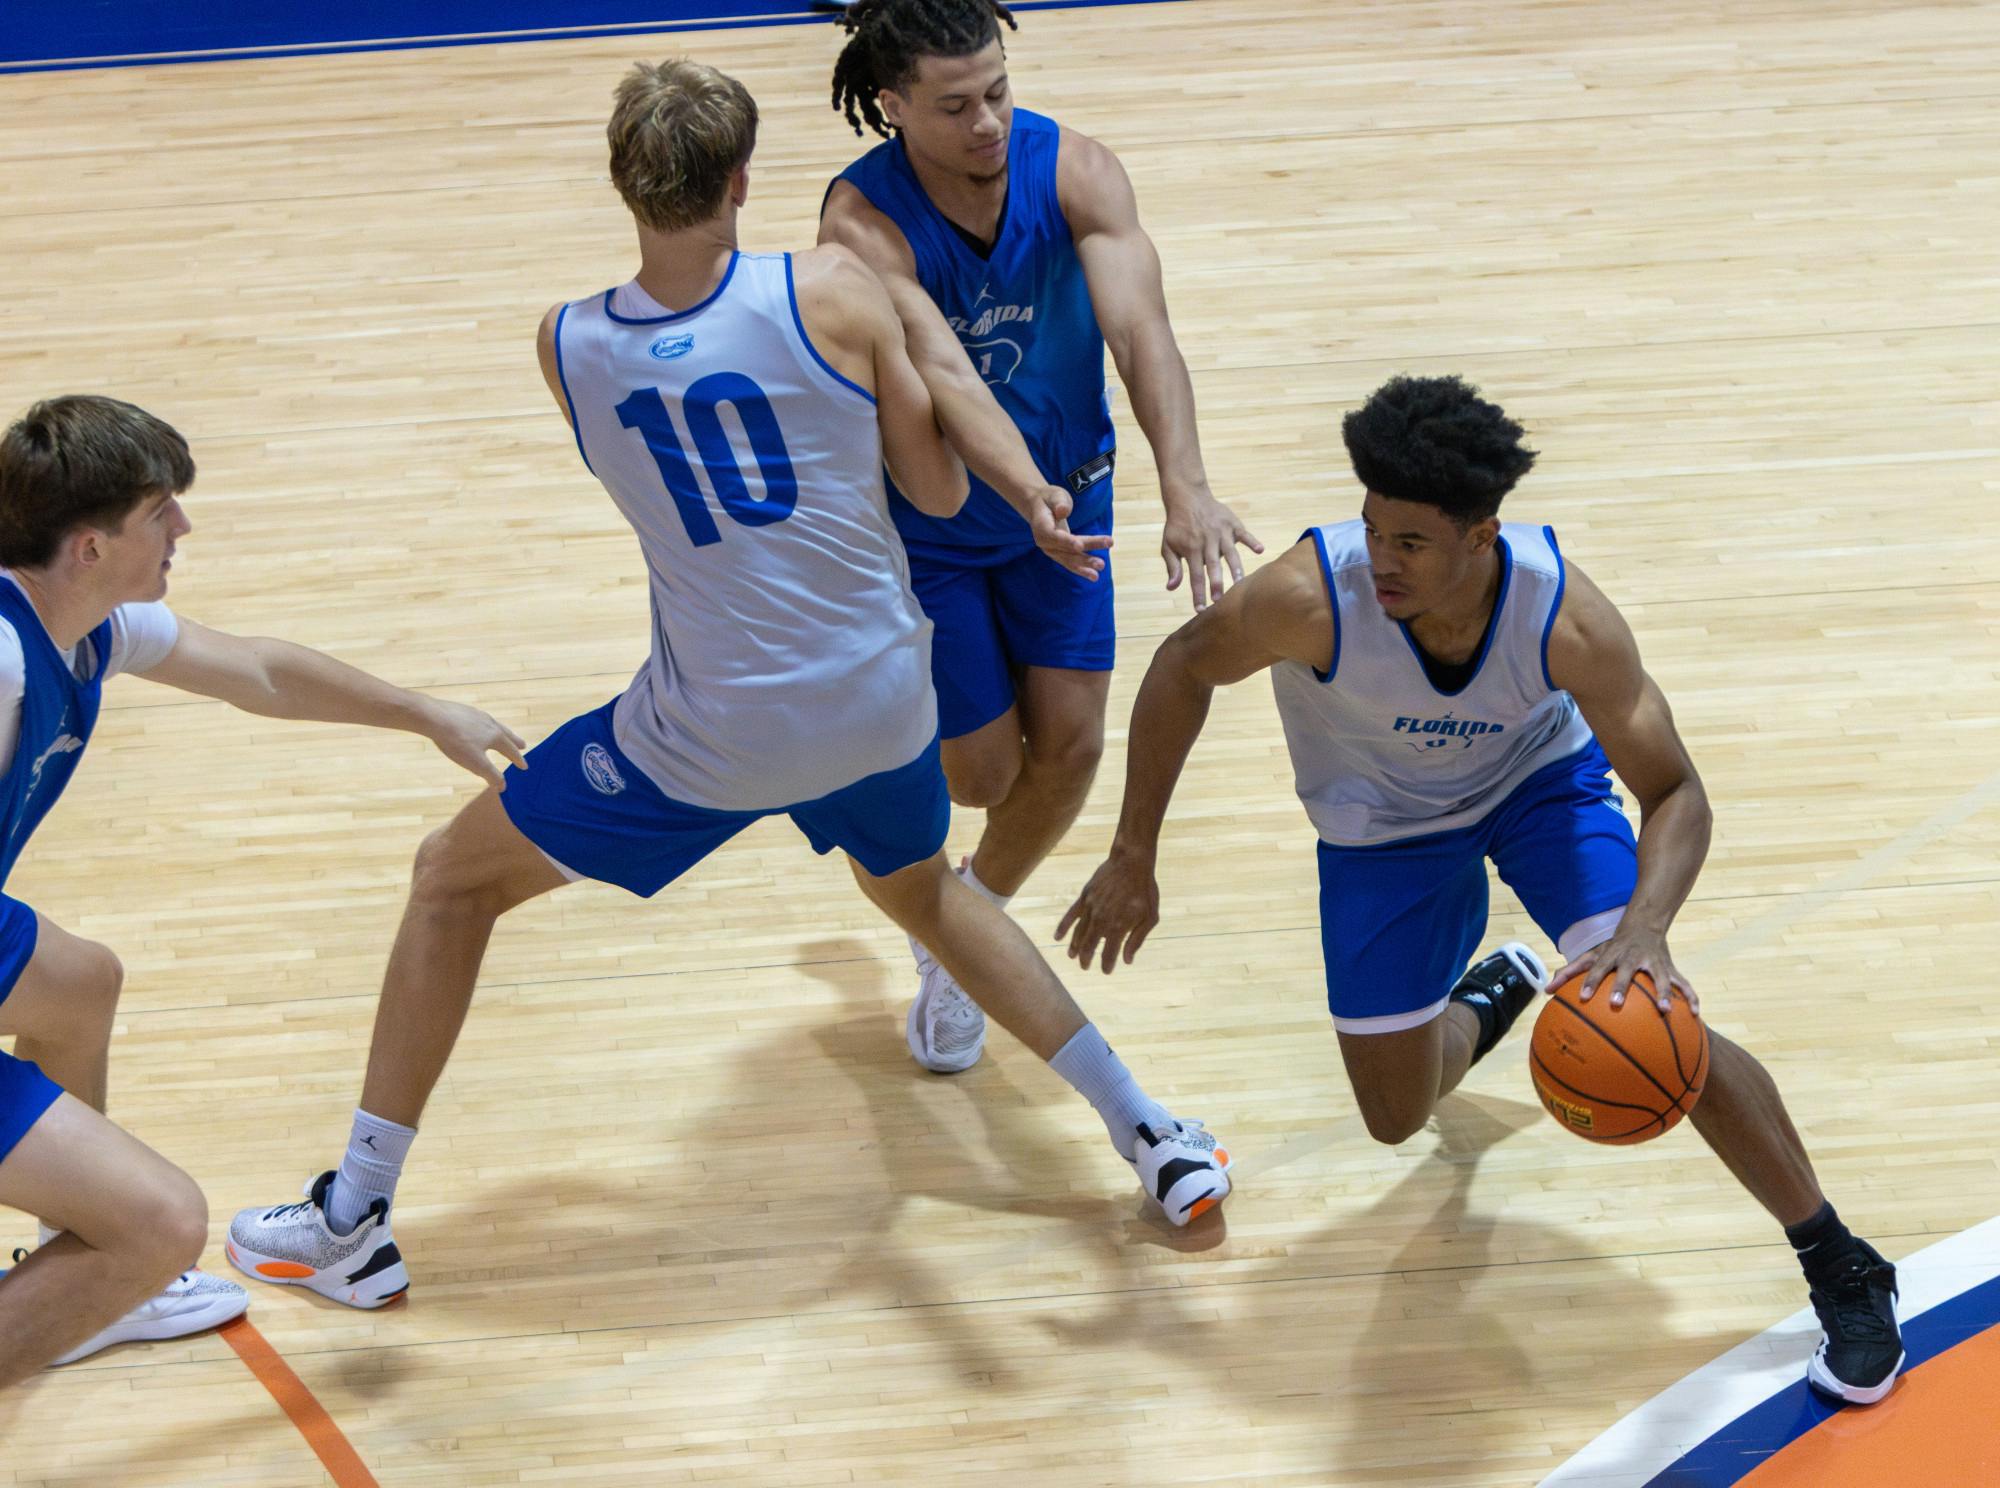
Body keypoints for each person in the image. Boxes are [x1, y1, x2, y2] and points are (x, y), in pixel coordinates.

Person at [226, 58, 1232, 1311]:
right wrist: (934, 420)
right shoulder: (837, 293)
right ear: (745, 179)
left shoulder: (567, 342)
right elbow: (928, 494)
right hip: (877, 702)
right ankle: (1154, 1135)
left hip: (709, 731)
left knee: (451, 880)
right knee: (923, 891)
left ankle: (351, 1215)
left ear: (622, 185)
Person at [1057, 374, 1905, 1405]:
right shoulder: (1305, 596)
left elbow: (1675, 789)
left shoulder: (1565, 617)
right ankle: (1489, 992)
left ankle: (1841, 1263)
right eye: (1373, 531)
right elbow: (1182, 667)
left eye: (1409, 543)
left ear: (1480, 537)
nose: (1381, 560)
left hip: (1534, 794)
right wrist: (1133, 851)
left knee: (1656, 1024)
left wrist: (1643, 930)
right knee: (1391, 1117)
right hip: (1382, 834)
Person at [0, 395, 525, 1384]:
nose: (183, 529)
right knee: (163, 1224)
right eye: (161, 513)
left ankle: (84, 1286)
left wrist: (424, 715)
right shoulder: (0, 663)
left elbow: (260, 673)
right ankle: (111, 1268)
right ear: (88, 546)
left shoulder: (81, 629)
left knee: (79, 985)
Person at [820, 0, 1262, 1073]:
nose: (988, 123)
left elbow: (1137, 327)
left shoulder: (1077, 174)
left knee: (1068, 752)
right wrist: (1020, 491)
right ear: (892, 107)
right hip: (935, 519)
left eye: (998, 91)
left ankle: (958, 932)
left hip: (1072, 500)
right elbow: (942, 374)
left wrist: (1185, 483)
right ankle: (936, 895)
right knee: (977, 775)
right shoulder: (858, 224)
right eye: (956, 105)